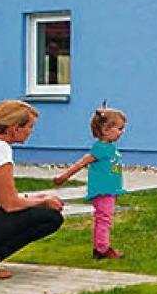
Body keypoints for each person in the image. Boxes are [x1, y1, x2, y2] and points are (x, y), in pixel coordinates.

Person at [0, 100, 65, 281]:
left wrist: (33, 197)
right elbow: (10, 204)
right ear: (14, 129)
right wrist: (43, 201)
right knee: (50, 217)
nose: (31, 131)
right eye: (29, 127)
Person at [53, 106, 129, 259]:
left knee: (103, 218)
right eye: (120, 128)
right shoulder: (100, 148)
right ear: (106, 129)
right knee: (104, 219)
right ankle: (102, 249)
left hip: (109, 190)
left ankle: (100, 247)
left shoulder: (109, 147)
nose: (122, 132)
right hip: (102, 191)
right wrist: (64, 176)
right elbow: (81, 163)